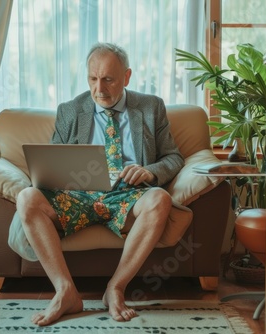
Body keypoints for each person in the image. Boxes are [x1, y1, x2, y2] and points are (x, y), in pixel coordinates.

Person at [15, 42, 184, 326]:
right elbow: (53, 162)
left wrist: (148, 172)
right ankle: (65, 291)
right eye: (93, 79)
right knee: (26, 198)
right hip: (77, 196)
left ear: (127, 77)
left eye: (108, 79)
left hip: (129, 196)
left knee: (160, 200)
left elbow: (174, 157)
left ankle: (115, 288)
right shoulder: (70, 110)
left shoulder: (151, 107)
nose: (100, 89)